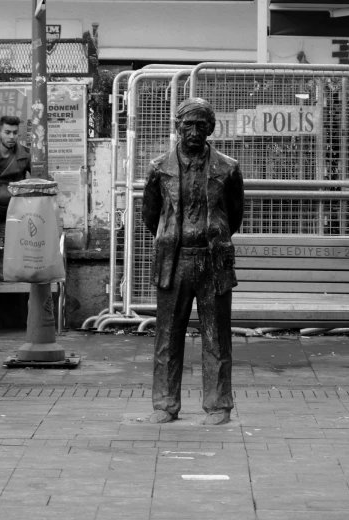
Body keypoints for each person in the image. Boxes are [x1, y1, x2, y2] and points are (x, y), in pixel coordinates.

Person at [141, 98, 244, 426]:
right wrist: (174, 236)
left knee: (217, 335)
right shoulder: (159, 168)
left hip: (213, 259)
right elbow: (150, 216)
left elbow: (235, 215)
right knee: (167, 336)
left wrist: (213, 235)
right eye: (188, 125)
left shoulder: (228, 168)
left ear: (211, 128)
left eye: (202, 125)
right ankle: (165, 402)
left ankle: (218, 404)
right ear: (177, 127)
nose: (195, 132)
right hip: (174, 260)